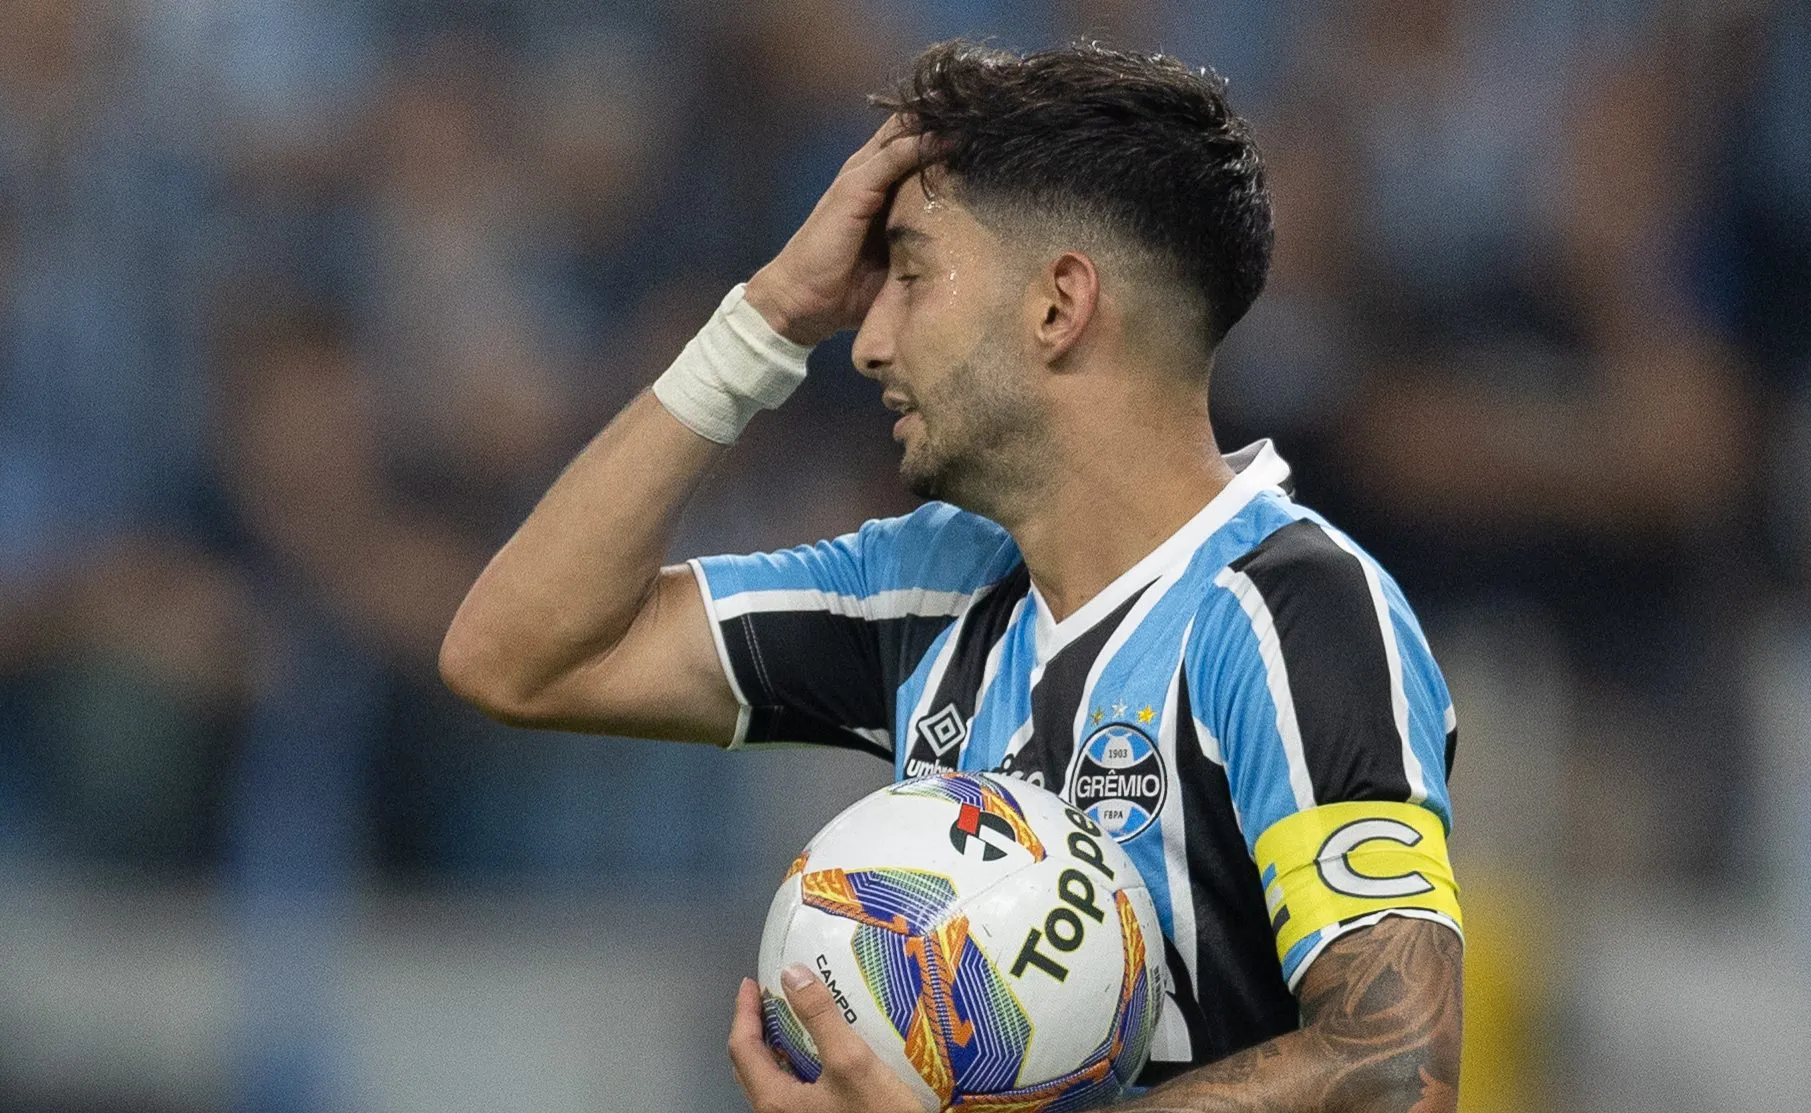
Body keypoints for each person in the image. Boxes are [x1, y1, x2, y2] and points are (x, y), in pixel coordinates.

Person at [442, 40, 1463, 1113]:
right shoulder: (931, 585)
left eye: (912, 277)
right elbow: (519, 657)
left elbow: (1398, 1069)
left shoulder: (1285, 612)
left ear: (1058, 304)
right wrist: (768, 314)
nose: (866, 339)